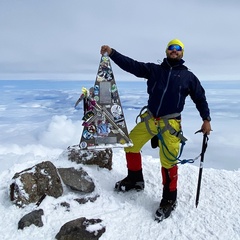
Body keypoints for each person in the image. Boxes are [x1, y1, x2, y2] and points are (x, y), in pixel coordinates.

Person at [100, 39, 212, 222]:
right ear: (167, 51)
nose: (174, 51)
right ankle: (135, 179)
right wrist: (112, 53)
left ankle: (169, 199)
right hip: (151, 119)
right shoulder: (154, 70)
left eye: (178, 49)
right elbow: (132, 66)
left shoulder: (188, 77)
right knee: (130, 144)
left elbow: (200, 98)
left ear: (182, 53)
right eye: (171, 48)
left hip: (171, 124)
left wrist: (206, 119)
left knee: (168, 162)